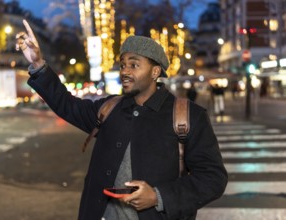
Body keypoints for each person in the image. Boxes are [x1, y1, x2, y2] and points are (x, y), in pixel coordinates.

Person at [16, 19, 228, 220]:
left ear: (155, 72)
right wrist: (38, 63)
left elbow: (213, 178)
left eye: (134, 65)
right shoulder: (109, 109)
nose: (125, 71)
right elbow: (66, 104)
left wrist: (158, 196)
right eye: (122, 64)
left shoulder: (187, 116)